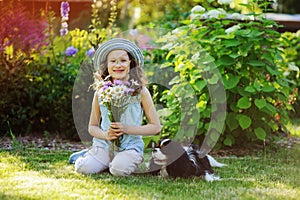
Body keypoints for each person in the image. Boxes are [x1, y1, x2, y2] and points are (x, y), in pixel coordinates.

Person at [73, 38, 161, 176]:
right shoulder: (101, 92)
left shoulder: (140, 91)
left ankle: (120, 160)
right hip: (104, 146)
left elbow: (156, 127)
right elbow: (92, 127)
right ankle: (88, 156)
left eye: (123, 60)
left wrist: (126, 129)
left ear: (131, 64)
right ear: (106, 66)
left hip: (130, 147)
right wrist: (106, 135)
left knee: (118, 170)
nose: (118, 65)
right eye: (113, 61)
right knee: (84, 169)